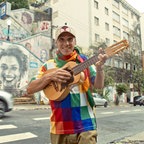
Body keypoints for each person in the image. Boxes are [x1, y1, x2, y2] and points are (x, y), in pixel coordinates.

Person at [26, 25, 107, 144]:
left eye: (70, 39)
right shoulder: (48, 66)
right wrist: (49, 76)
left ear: (75, 41)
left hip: (86, 124)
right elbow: (30, 88)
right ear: (56, 42)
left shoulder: (84, 61)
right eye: (61, 40)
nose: (66, 43)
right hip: (59, 126)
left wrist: (100, 69)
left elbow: (99, 86)